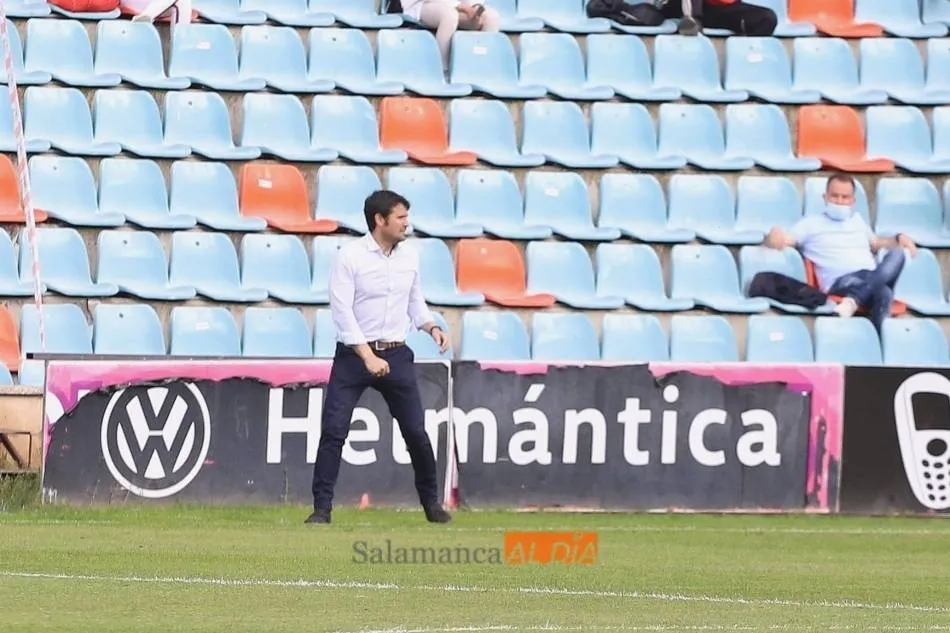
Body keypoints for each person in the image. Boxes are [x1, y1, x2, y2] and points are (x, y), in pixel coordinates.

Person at [306, 190, 452, 525]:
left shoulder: (409, 257)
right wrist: (367, 356)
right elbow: (341, 312)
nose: (406, 223)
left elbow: (415, 301)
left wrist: (430, 326)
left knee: (416, 431)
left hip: (397, 354)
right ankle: (321, 508)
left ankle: (432, 505)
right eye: (400, 217)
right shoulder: (350, 257)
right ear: (379, 220)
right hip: (354, 356)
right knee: (334, 430)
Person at [764, 173, 917, 333]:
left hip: (869, 275)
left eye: (845, 197)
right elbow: (781, 240)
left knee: (898, 253)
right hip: (840, 280)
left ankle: (853, 301)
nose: (839, 201)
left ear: (853, 201)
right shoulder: (810, 224)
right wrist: (773, 236)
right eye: (834, 196)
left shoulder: (858, 221)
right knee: (884, 292)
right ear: (825, 197)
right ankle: (876, 345)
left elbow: (875, 243)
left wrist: (898, 238)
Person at [400, 0, 502, 73]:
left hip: (461, 6)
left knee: (491, 17)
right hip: (423, 4)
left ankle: (483, 68)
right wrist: (461, 6)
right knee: (450, 16)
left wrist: (475, 6)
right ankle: (442, 69)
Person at [655, 0, 777, 36]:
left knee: (767, 18)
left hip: (715, 10)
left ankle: (744, 60)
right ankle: (691, 22)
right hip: (678, 5)